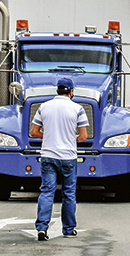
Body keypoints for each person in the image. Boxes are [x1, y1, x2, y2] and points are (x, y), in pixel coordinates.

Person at [30, 77, 88, 241]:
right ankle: (68, 229)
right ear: (71, 91)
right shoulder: (78, 109)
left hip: (48, 155)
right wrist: (71, 138)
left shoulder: (44, 107)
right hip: (68, 157)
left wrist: (48, 136)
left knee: (47, 191)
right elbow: (83, 136)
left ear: (57, 90)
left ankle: (42, 228)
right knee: (68, 193)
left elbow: (34, 131)